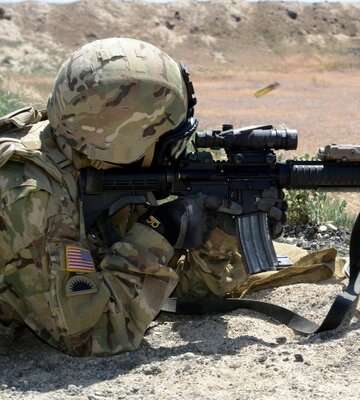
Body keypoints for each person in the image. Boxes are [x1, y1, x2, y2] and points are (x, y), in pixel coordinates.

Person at [0, 37, 283, 356]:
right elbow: (89, 332)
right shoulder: (31, 194)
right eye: (169, 143)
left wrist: (219, 238)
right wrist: (158, 230)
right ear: (126, 143)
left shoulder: (92, 157)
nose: (175, 154)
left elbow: (160, 290)